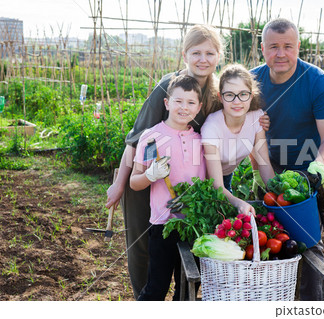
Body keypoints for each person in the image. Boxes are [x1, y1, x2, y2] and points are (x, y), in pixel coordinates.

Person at [106, 25, 269, 299]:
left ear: (219, 56)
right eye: (196, 53)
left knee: (190, 251)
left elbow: (236, 111)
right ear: (185, 54)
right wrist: (120, 185)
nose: (202, 59)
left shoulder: (218, 92)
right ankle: (144, 296)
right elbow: (136, 142)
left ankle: (184, 297)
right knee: (144, 244)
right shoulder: (169, 88)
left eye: (209, 53)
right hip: (147, 173)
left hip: (192, 183)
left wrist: (258, 119)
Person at [251, 18, 324, 301]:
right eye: (273, 47)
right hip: (269, 164)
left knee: (308, 240)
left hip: (308, 166)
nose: (280, 54)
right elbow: (238, 128)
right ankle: (272, 298)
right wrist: (258, 170)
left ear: (298, 47)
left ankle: (312, 303)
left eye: (288, 46)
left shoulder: (317, 82)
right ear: (262, 49)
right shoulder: (251, 83)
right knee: (268, 236)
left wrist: (318, 168)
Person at [129, 75, 206, 301]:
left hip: (193, 224)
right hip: (162, 224)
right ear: (166, 103)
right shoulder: (151, 138)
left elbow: (208, 181)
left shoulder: (201, 140)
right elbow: (135, 182)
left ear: (199, 107)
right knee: (156, 287)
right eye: (178, 101)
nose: (184, 107)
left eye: (191, 103)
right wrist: (150, 175)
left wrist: (192, 201)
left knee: (187, 289)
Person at [201, 64, 275, 216]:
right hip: (202, 182)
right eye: (229, 95)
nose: (237, 101)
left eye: (243, 94)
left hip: (226, 176)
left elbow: (264, 163)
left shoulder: (256, 118)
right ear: (220, 97)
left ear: (251, 95)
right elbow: (216, 186)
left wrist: (278, 194)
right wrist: (239, 202)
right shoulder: (211, 127)